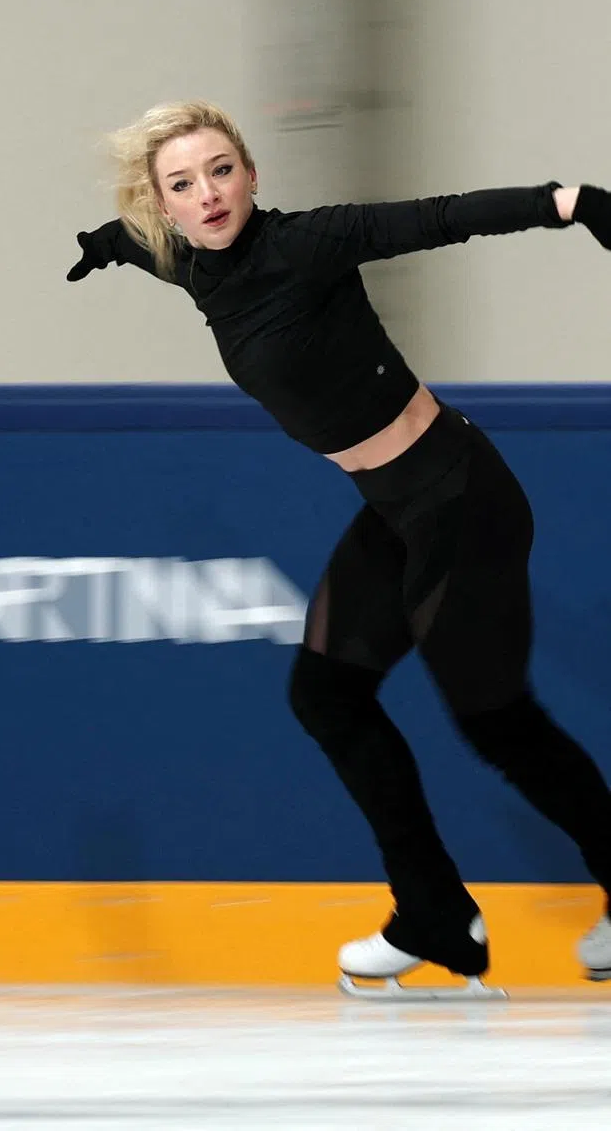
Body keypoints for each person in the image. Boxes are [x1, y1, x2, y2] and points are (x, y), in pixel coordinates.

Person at [66, 100, 611, 998]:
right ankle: (433, 910)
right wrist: (104, 240)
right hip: (394, 510)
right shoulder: (188, 262)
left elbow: (440, 217)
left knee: (495, 721)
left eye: (222, 171)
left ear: (253, 175)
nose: (208, 195)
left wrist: (571, 200)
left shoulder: (305, 243)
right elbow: (138, 242)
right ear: (160, 206)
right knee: (327, 695)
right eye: (183, 184)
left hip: (460, 498)